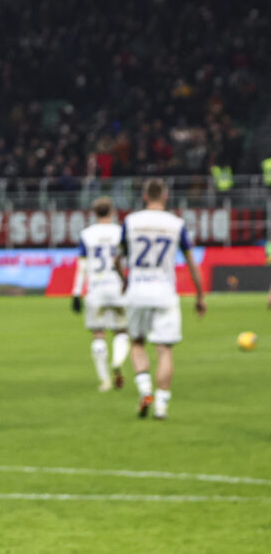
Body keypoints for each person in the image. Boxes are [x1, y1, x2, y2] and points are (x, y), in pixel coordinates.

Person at [116, 178, 205, 419]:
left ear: (144, 197)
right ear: (165, 197)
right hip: (165, 291)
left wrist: (124, 280)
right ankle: (162, 405)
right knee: (164, 350)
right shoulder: (176, 224)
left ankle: (145, 390)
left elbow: (118, 258)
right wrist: (199, 295)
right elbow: (191, 262)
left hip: (138, 289)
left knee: (136, 343)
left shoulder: (131, 222)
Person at [71, 196, 130, 392]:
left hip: (96, 288)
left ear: (94, 213)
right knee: (122, 331)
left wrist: (76, 293)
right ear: (112, 212)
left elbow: (82, 265)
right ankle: (117, 361)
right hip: (118, 286)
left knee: (98, 334)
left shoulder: (87, 234)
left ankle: (104, 380)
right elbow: (126, 259)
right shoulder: (120, 231)